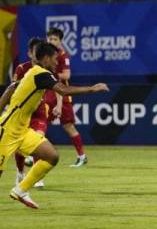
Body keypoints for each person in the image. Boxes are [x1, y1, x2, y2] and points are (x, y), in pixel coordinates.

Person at [1, 42, 109, 209]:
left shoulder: (33, 73)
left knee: (52, 156)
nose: (57, 62)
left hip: (22, 131)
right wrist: (92, 89)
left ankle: (20, 190)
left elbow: (10, 89)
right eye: (54, 58)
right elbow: (64, 91)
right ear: (45, 58)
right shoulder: (41, 74)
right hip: (7, 131)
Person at [12, 37, 53, 188]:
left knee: (38, 139)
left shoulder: (45, 70)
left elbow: (57, 87)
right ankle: (20, 172)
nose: (38, 56)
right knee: (20, 143)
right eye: (35, 52)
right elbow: (13, 89)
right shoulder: (22, 69)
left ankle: (36, 176)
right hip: (23, 113)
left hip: (40, 112)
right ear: (30, 53)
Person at [46, 27, 88, 167]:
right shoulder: (45, 55)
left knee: (68, 126)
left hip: (62, 95)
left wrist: (50, 76)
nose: (52, 41)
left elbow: (67, 75)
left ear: (60, 41)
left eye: (55, 39)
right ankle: (34, 155)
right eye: (50, 38)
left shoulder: (63, 55)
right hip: (48, 93)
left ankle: (81, 156)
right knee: (40, 125)